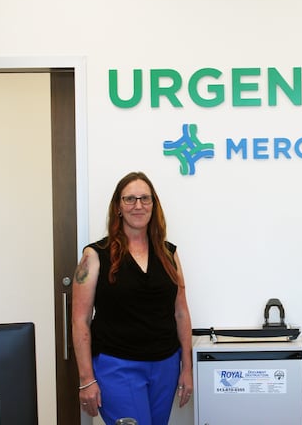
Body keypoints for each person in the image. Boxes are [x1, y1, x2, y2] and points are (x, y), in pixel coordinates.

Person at [72, 171, 194, 424]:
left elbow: (181, 313)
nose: (138, 205)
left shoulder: (169, 254)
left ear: (153, 205)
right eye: (129, 199)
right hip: (117, 367)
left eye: (144, 199)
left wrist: (187, 368)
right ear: (118, 206)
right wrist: (86, 379)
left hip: (165, 366)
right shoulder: (95, 255)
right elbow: (80, 321)